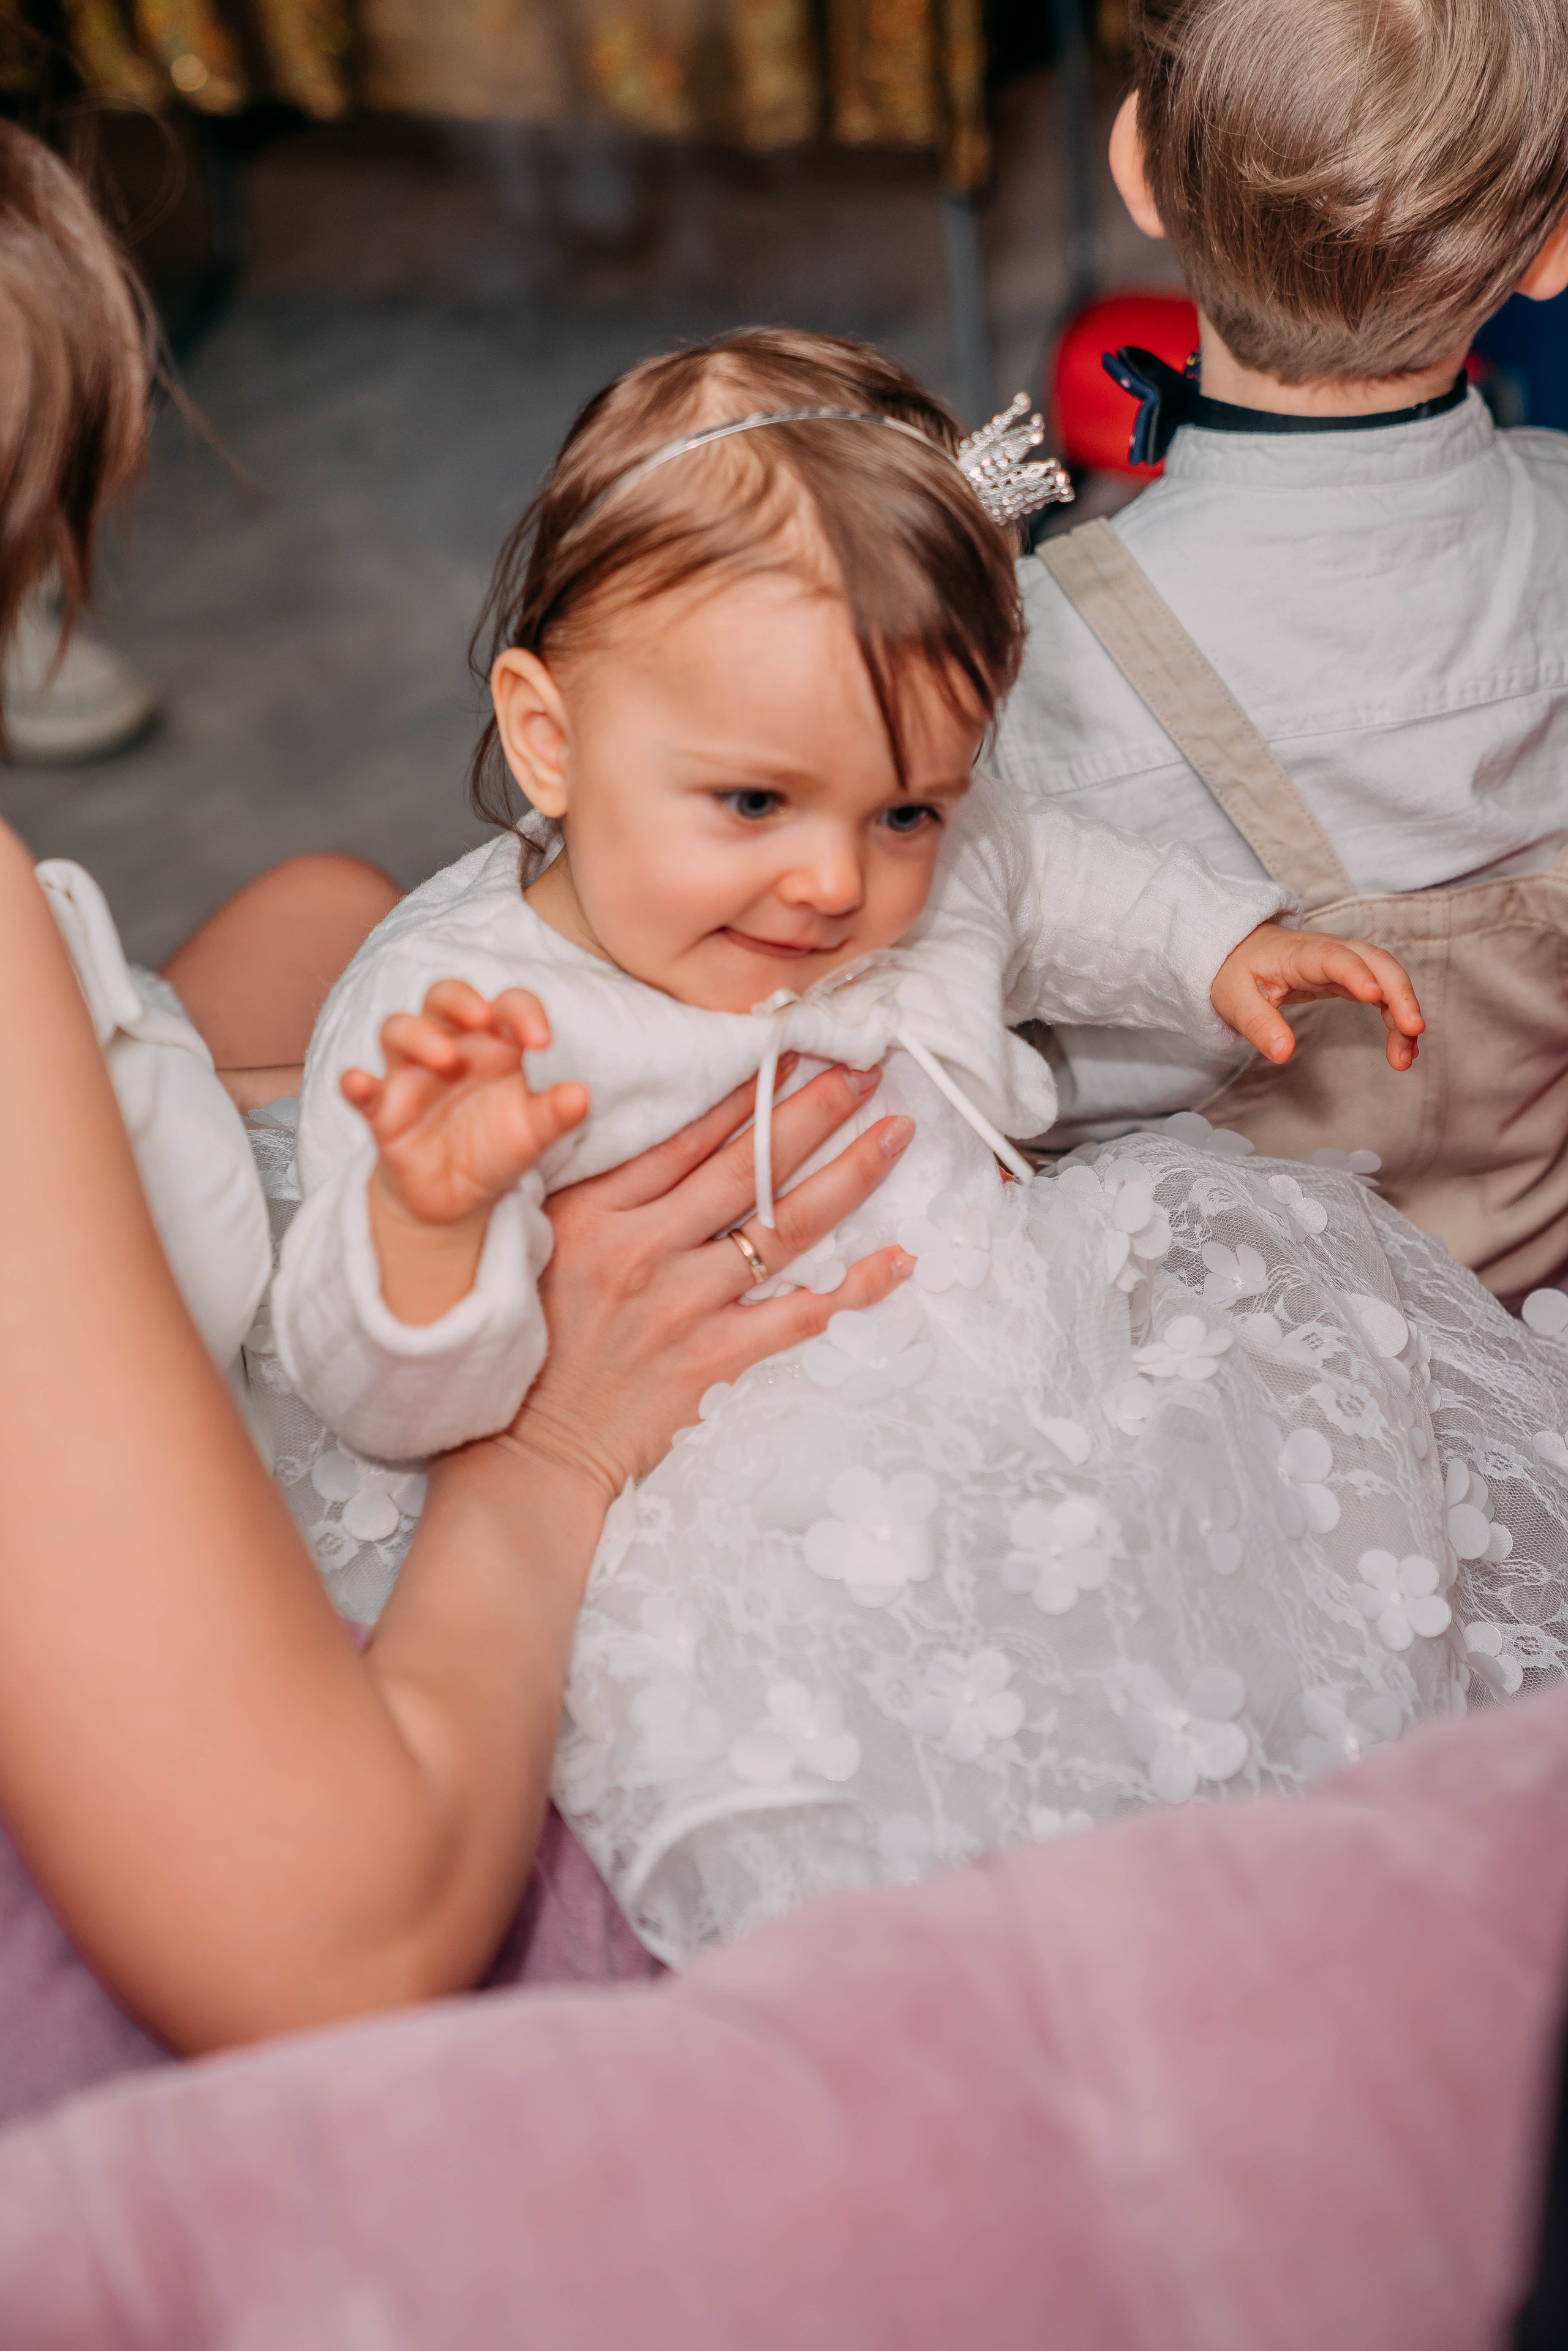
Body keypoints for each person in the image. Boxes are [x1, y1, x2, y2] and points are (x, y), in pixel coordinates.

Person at [263, 326, 1567, 1973]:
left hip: (1013, 1355)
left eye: (902, 810)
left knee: (1219, 1638)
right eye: (752, 805)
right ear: (550, 736)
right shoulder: (456, 1029)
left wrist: (1215, 944)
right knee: (903, 1832)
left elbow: (1042, 873)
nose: (836, 883)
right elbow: (386, 1404)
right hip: (696, 1508)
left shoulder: (931, 846)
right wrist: (427, 1229)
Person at [0, 121, 918, 2083]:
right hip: (313, 1865)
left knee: (322, 902)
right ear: (542, 728)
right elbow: (335, 1934)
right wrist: (553, 1449)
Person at [993, 0, 1568, 1298]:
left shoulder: (1029, 657)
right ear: (1551, 248)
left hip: (1191, 1377)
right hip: (1537, 1308)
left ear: (1137, 164)